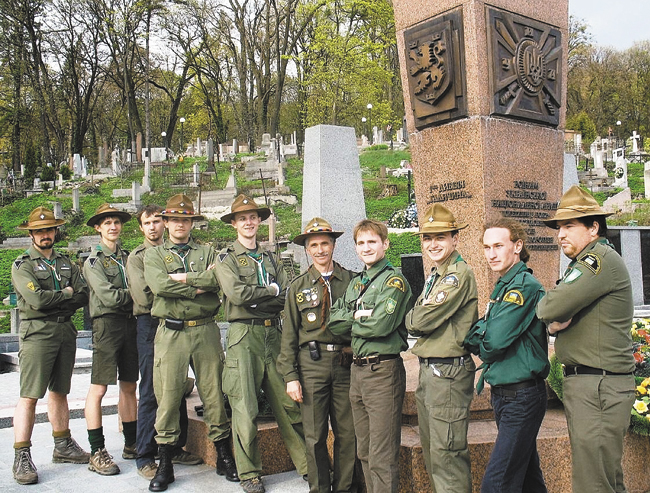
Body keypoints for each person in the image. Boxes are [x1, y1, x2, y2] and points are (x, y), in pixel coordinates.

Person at [536, 185, 635, 493]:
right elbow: (555, 315)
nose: (561, 234)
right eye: (558, 227)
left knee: (594, 484)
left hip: (599, 387)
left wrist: (551, 320)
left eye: (568, 226)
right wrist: (552, 327)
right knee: (604, 480)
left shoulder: (596, 262)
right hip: (594, 386)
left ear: (593, 227)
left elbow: (549, 307)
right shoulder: (589, 261)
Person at [143, 194, 237, 491]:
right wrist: (196, 284)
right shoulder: (155, 254)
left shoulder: (207, 251)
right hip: (171, 334)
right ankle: (165, 461)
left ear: (191, 222)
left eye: (186, 219)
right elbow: (159, 286)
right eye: (174, 220)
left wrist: (181, 279)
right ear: (167, 222)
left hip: (205, 330)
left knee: (214, 393)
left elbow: (217, 282)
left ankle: (224, 455)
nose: (180, 224)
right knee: (168, 397)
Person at [215, 194, 307, 493]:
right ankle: (249, 473)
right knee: (245, 407)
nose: (249, 222)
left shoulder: (270, 258)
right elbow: (237, 296)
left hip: (274, 334)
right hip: (244, 337)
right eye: (242, 218)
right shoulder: (226, 259)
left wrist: (263, 298)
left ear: (259, 220)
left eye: (253, 217)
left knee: (289, 403)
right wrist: (269, 291)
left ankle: (307, 465)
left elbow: (286, 297)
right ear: (234, 224)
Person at [463, 218, 549, 493]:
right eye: (487, 247)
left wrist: (484, 338)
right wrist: (485, 334)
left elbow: (492, 343)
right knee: (527, 478)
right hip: (505, 394)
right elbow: (477, 334)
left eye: (498, 245)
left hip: (521, 397)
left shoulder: (522, 286)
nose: (491, 254)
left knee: (497, 484)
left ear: (517, 246)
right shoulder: (503, 286)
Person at [329, 219, 413, 493]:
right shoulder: (357, 283)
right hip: (358, 372)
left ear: (385, 244)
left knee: (381, 455)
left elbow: (381, 325)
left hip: (382, 372)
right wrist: (359, 315)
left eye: (372, 241)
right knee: (364, 450)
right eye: (361, 243)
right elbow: (332, 322)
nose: (366, 248)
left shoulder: (394, 281)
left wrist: (351, 318)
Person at [277, 218, 357, 493]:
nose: (320, 250)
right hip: (311, 365)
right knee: (314, 435)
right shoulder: (297, 287)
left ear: (333, 245)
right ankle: (320, 489)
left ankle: (345, 487)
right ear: (307, 250)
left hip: (345, 364)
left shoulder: (352, 281)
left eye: (325, 243)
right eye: (314, 245)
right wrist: (290, 377)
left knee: (348, 433)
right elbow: (288, 337)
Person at [11, 207, 90, 485]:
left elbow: (82, 295)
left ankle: (63, 445)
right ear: (31, 234)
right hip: (37, 334)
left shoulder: (66, 262)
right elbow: (37, 302)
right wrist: (65, 293)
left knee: (60, 391)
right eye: (40, 231)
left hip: (65, 330)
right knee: (30, 395)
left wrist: (62, 296)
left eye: (49, 230)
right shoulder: (23, 265)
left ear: (55, 231)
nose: (46, 235)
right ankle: (21, 455)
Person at [126, 204, 203, 481]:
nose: (153, 227)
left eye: (158, 221)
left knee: (176, 385)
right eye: (148, 222)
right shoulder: (137, 258)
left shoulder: (175, 253)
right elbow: (146, 297)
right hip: (151, 325)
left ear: (166, 224)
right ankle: (145, 454)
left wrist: (170, 287)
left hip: (180, 324)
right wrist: (192, 290)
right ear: (141, 227)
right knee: (151, 389)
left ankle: (175, 446)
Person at [404, 204, 477, 493]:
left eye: (440, 237)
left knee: (447, 455)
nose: (433, 244)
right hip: (432, 372)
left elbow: (418, 320)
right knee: (434, 453)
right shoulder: (437, 273)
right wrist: (416, 317)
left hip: (447, 374)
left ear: (455, 239)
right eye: (427, 238)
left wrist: (414, 317)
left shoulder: (456, 275)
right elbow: (419, 318)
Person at [83, 204, 138, 476]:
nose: (113, 227)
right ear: (98, 228)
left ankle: (132, 442)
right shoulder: (93, 262)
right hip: (107, 324)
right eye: (107, 223)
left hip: (130, 323)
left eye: (116, 222)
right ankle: (97, 450)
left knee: (129, 385)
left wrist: (129, 292)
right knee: (99, 388)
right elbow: (109, 297)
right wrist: (136, 293)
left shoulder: (128, 257)